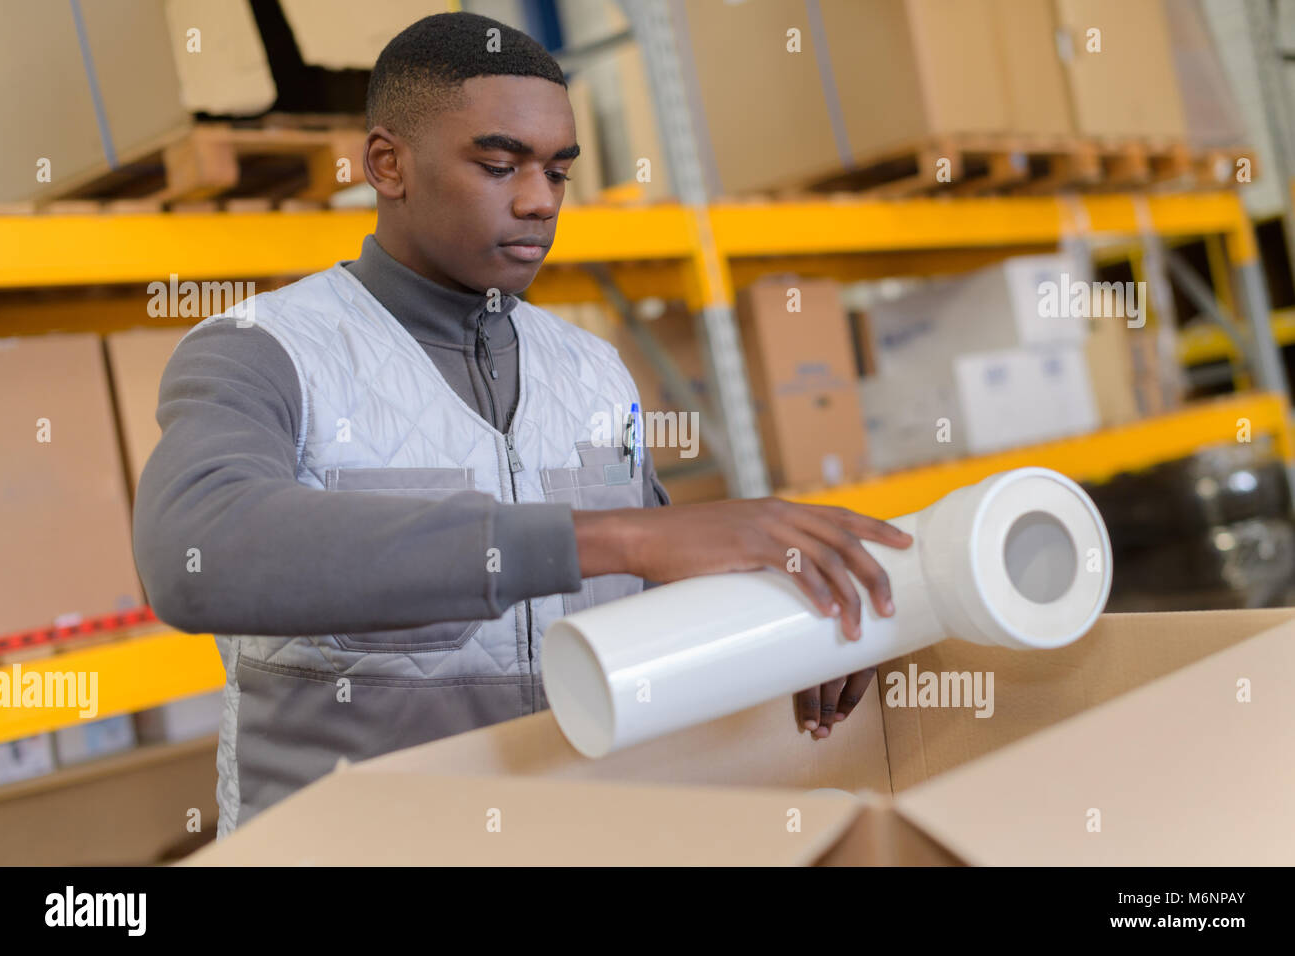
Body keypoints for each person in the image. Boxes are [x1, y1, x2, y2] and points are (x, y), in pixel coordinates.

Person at [132, 11, 912, 837]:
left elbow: (647, 587)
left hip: (573, 839)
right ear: (387, 165)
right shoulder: (264, 351)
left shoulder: (591, 368)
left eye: (558, 172)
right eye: (500, 165)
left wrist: (797, 628)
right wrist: (615, 539)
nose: (539, 201)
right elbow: (194, 554)